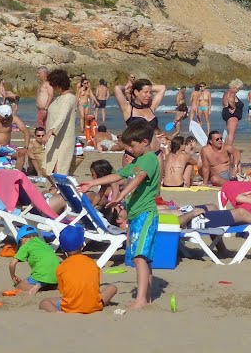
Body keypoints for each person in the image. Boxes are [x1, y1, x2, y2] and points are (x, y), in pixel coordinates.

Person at [79, 121, 160, 309]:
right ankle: (145, 297)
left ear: (145, 142)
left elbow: (138, 179)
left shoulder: (149, 158)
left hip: (146, 213)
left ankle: (141, 299)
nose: (130, 150)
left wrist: (122, 195)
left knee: (141, 257)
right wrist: (92, 183)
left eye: (132, 145)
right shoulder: (139, 160)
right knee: (142, 257)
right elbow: (118, 175)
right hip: (136, 214)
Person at [39, 225, 117, 313]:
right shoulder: (92, 263)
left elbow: (63, 291)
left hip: (70, 307)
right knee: (112, 288)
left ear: (62, 248)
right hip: (94, 306)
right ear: (83, 244)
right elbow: (95, 286)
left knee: (45, 302)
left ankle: (58, 313)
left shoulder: (61, 267)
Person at [114, 77, 167, 157]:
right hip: (136, 156)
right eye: (145, 92)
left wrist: (146, 86)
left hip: (156, 154)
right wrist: (129, 86)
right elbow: (117, 88)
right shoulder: (128, 109)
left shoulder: (151, 107)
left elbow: (162, 88)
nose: (149, 95)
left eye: (150, 92)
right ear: (136, 92)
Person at [9, 225, 59, 294]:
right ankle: (48, 285)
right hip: (57, 275)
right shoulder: (44, 244)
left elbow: (12, 264)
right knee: (47, 279)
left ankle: (38, 285)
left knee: (19, 287)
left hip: (41, 275)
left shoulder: (26, 245)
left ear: (22, 240)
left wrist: (13, 276)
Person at [0, 104, 30, 171]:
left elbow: (26, 131)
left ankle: (17, 176)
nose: (5, 121)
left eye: (7, 119)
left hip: (7, 147)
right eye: (3, 119)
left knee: (21, 155)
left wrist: (25, 147)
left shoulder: (13, 118)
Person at [221, 79, 244, 147]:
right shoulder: (232, 93)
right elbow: (230, 100)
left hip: (226, 113)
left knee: (228, 133)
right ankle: (229, 149)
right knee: (231, 134)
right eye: (239, 88)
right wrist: (234, 107)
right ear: (235, 87)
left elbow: (225, 103)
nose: (238, 90)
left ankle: (225, 149)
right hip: (232, 115)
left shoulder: (226, 92)